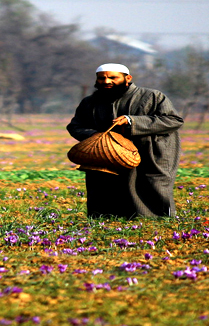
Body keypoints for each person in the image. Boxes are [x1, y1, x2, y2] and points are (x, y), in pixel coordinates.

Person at [66, 63, 183, 219]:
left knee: (150, 185)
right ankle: (107, 220)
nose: (106, 81)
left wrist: (132, 121)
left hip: (149, 152)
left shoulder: (152, 97)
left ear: (127, 78)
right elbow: (75, 126)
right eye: (102, 78)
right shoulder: (90, 102)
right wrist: (98, 137)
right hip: (106, 155)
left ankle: (155, 220)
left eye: (113, 77)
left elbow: (173, 120)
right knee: (105, 187)